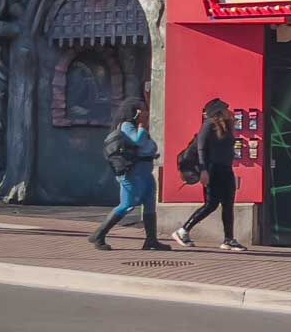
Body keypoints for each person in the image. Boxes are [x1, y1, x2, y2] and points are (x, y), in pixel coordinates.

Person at [89, 96, 171, 251]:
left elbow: (146, 146)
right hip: (134, 171)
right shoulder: (127, 125)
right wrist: (141, 125)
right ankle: (99, 235)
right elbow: (137, 141)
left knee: (149, 202)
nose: (146, 112)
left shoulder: (140, 127)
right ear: (135, 111)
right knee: (127, 204)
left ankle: (151, 240)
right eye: (143, 109)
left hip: (146, 170)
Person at [172, 99, 247, 251]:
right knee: (211, 204)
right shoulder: (208, 125)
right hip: (213, 169)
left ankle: (229, 239)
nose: (229, 111)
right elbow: (201, 148)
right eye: (226, 109)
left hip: (226, 169)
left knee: (228, 204)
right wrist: (203, 170)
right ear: (219, 112)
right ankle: (183, 231)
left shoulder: (227, 127)